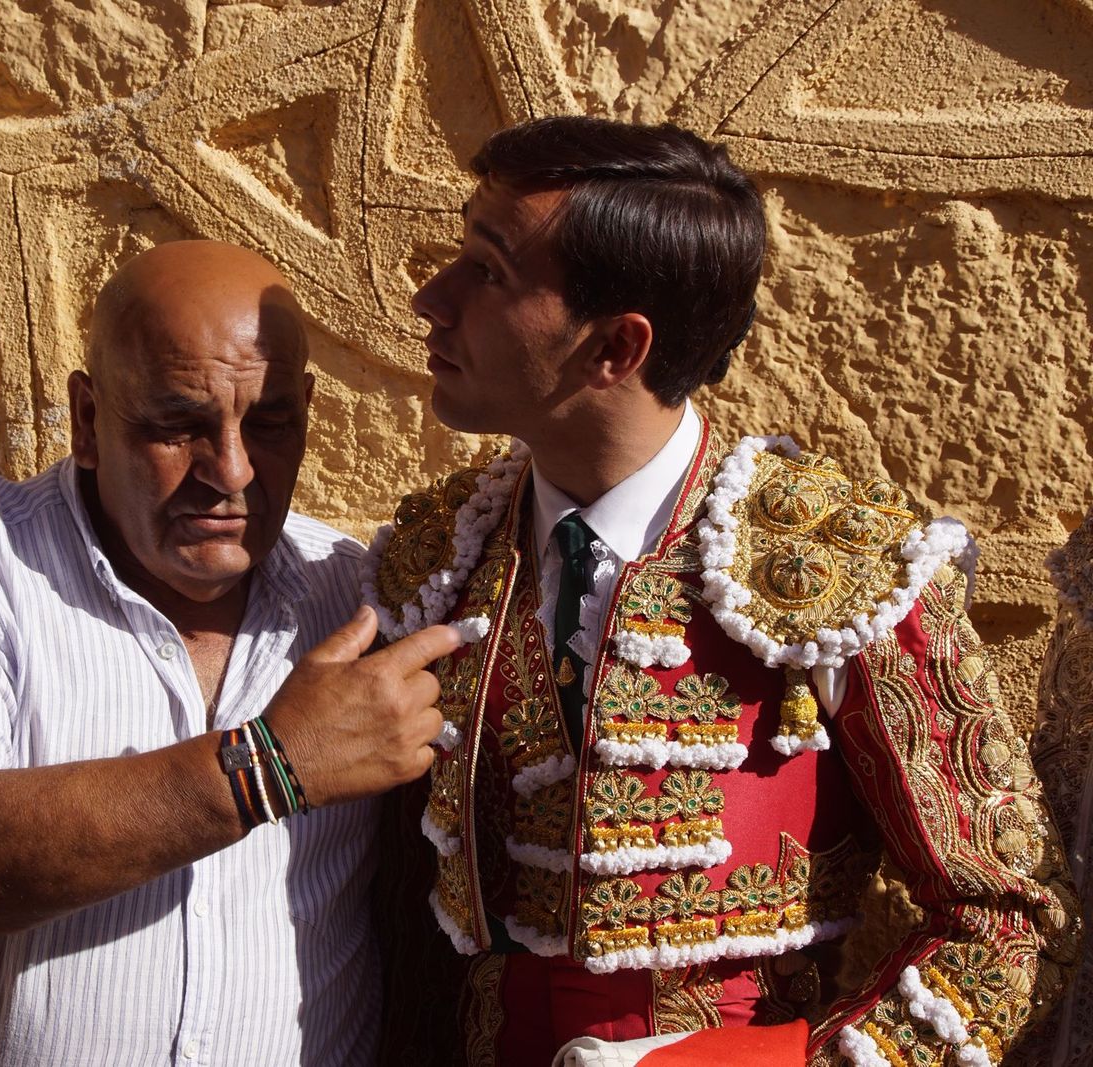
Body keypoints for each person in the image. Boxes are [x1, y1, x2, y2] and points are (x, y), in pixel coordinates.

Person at [365, 117, 1081, 1066]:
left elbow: (1011, 921)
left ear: (615, 347)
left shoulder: (841, 567)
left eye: (487, 271)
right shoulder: (439, 555)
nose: (431, 298)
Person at [0, 240, 463, 1066]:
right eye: (177, 425)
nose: (230, 470)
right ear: (88, 420)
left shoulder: (357, 595)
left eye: (269, 423)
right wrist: (270, 766)